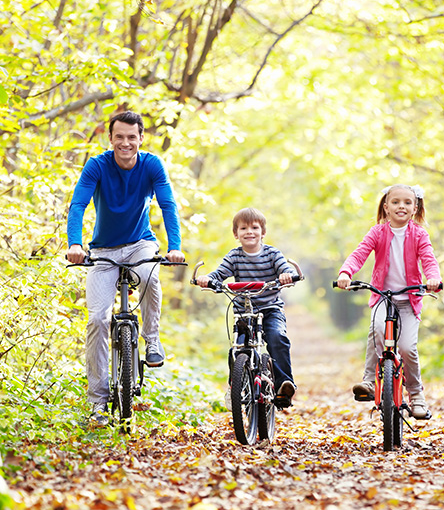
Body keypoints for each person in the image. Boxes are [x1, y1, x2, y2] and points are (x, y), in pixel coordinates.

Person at [66, 111, 185, 427]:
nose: (125, 143)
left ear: (141, 138)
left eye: (132, 137)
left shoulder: (152, 165)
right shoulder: (97, 166)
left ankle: (152, 338)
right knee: (97, 319)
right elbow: (78, 204)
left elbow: (168, 205)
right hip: (103, 250)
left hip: (139, 244)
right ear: (111, 138)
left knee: (149, 276)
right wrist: (75, 244)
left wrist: (174, 247)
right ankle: (97, 404)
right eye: (119, 136)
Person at [335, 184, 442, 419]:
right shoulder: (377, 232)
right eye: (395, 202)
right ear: (386, 207)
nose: (401, 206)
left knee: (407, 348)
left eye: (406, 202)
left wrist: (433, 278)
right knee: (377, 330)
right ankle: (369, 382)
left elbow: (428, 259)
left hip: (409, 300)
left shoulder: (419, 234)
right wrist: (346, 273)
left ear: (415, 208)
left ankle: (416, 395)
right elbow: (360, 253)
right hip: (383, 297)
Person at [195, 208, 299, 409]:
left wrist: (287, 275)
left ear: (263, 232)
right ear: (236, 234)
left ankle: (284, 386)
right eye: (243, 228)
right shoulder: (234, 257)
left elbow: (286, 269)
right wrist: (208, 279)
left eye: (254, 227)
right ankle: (236, 386)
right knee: (238, 348)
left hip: (270, 308)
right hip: (244, 310)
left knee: (277, 338)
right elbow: (219, 274)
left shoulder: (272, 253)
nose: (249, 231)